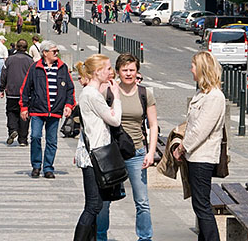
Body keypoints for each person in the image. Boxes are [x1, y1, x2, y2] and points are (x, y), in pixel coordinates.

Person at [97, 53, 158, 241]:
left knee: (142, 201)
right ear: (117, 72)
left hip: (137, 152)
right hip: (112, 153)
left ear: (137, 71)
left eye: (132, 70)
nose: (129, 74)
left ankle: (145, 237)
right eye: (125, 70)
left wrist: (151, 152)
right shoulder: (108, 91)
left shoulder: (144, 93)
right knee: (105, 200)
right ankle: (100, 236)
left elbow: (153, 124)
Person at [173, 52, 226, 241]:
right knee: (199, 204)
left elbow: (200, 130)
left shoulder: (214, 97)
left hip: (203, 157)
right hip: (195, 157)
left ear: (203, 69)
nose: (191, 70)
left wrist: (182, 148)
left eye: (193, 66)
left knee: (202, 206)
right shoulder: (202, 94)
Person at [73, 54, 121, 240]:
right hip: (95, 156)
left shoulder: (91, 93)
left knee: (96, 204)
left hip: (93, 154)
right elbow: (115, 120)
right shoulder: (92, 95)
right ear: (97, 71)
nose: (111, 72)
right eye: (108, 68)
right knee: (93, 205)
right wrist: (116, 97)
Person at [20, 40, 75, 179]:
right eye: (54, 51)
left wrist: (69, 105)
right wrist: (24, 107)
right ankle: (36, 166)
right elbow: (25, 88)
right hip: (38, 110)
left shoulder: (62, 67)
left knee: (52, 141)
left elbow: (70, 88)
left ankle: (48, 167)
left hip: (55, 110)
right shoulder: (35, 67)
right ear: (44, 53)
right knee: (35, 136)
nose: (57, 53)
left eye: (57, 51)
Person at [0, 39, 33, 146]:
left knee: (11, 112)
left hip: (11, 92)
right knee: (25, 116)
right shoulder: (30, 61)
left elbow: (3, 75)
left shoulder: (9, 60)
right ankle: (23, 139)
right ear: (26, 48)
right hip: (26, 94)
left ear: (16, 47)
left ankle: (13, 130)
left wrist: (2, 88)